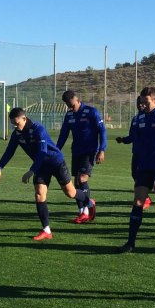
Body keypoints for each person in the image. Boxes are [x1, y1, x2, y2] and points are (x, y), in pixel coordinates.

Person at [0, 107, 92, 240]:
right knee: (39, 195)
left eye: (18, 123)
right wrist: (0, 168)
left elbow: (42, 152)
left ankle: (89, 201)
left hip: (56, 162)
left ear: (24, 118)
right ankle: (46, 230)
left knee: (71, 193)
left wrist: (31, 170)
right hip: (41, 166)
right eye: (13, 124)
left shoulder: (38, 129)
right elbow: (9, 151)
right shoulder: (17, 134)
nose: (16, 127)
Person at [114, 87, 155, 253]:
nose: (143, 105)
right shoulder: (138, 119)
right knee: (138, 202)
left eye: (146, 102)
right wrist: (124, 140)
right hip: (144, 167)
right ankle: (130, 242)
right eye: (141, 102)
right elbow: (134, 137)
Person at [56, 90, 105, 223]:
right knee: (76, 182)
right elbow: (63, 134)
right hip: (76, 151)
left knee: (82, 179)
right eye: (68, 106)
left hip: (89, 151)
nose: (70, 108)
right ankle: (82, 210)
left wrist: (102, 149)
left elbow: (102, 130)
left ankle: (86, 209)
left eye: (72, 105)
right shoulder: (69, 115)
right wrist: (56, 150)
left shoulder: (91, 112)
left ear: (77, 100)